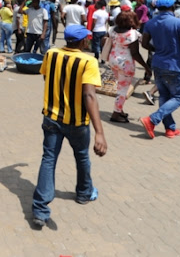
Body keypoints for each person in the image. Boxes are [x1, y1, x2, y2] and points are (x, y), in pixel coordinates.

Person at [32, 25, 107, 228]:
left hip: (51, 117)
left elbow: (47, 77)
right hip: (77, 122)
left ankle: (40, 209)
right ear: (82, 42)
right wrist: (100, 132)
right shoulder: (88, 61)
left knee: (48, 159)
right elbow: (89, 95)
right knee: (82, 156)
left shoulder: (51, 54)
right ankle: (83, 193)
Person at [140, 0, 180, 139]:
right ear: (173, 7)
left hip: (158, 64)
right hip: (175, 65)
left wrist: (157, 49)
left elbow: (144, 44)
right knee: (179, 97)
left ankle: (170, 128)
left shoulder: (150, 23)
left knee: (164, 96)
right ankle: (152, 120)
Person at [105, 11, 150, 123]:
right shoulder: (132, 33)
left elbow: (104, 41)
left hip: (113, 60)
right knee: (123, 89)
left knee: (120, 86)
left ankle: (120, 110)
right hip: (126, 63)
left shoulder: (112, 30)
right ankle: (116, 114)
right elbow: (135, 53)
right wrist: (146, 67)